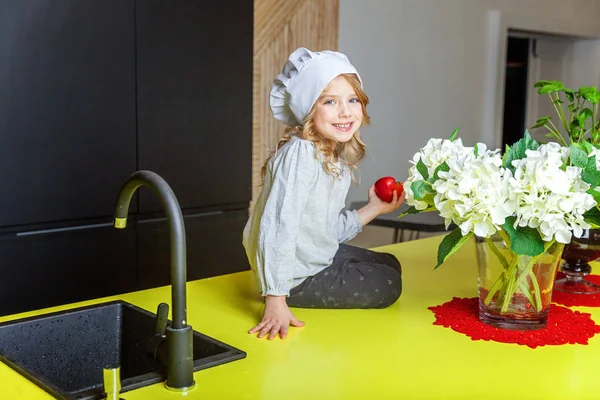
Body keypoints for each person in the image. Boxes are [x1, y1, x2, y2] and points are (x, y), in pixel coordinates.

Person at [243, 47, 404, 340]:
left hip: (310, 258)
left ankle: (278, 286)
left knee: (390, 264)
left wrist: (374, 209)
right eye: (330, 101)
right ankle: (277, 290)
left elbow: (321, 231)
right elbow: (278, 227)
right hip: (294, 278)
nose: (345, 111)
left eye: (352, 100)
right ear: (308, 110)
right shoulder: (301, 156)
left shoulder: (328, 156)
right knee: (390, 285)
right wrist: (276, 298)